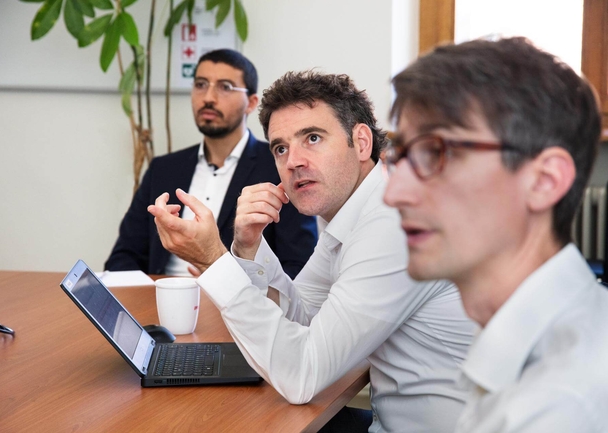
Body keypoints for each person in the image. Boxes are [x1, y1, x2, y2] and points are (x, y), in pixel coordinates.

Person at [148, 71, 476, 432]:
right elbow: (300, 321)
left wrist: (213, 259)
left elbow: (302, 375)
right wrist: (247, 246)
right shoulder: (356, 210)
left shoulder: (394, 222)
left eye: (313, 138)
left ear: (362, 142)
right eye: (281, 148)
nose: (293, 162)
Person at [384, 37, 608, 432]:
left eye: (436, 152)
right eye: (400, 157)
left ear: (544, 180)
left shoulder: (556, 409)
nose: (393, 194)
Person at [104, 49, 317, 278]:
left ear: (251, 103)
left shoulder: (281, 167)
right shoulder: (163, 168)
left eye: (225, 87)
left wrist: (224, 284)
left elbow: (299, 269)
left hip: (238, 306)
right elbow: (122, 259)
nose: (208, 98)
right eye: (201, 84)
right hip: (161, 298)